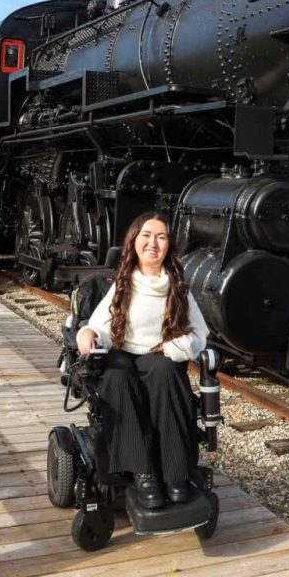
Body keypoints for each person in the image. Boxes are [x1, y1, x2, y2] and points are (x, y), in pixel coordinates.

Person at [76, 211, 209, 509]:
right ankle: (144, 472)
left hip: (158, 355)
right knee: (118, 376)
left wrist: (176, 346)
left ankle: (176, 474)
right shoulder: (125, 281)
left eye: (161, 237)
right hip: (122, 353)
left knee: (165, 372)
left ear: (168, 245)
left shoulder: (177, 286)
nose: (153, 243)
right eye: (146, 236)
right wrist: (87, 334)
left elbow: (201, 333)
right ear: (134, 242)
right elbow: (98, 325)